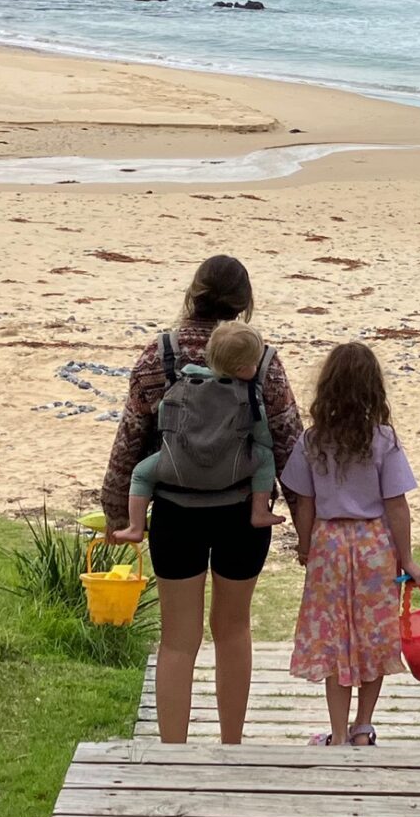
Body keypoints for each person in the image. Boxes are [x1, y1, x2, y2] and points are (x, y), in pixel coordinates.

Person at [102, 256, 301, 743]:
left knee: (177, 640)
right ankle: (231, 745)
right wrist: (307, 528)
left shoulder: (159, 355)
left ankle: (173, 750)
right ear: (245, 304)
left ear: (192, 293)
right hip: (242, 514)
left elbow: (130, 441)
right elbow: (290, 446)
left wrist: (116, 513)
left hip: (175, 513)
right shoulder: (262, 363)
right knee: (233, 630)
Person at [283, 341, 417, 746]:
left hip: (329, 543)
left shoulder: (313, 441)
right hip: (374, 543)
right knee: (373, 634)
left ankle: (338, 733)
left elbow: (303, 502)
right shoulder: (384, 440)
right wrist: (406, 557)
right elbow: (397, 505)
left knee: (333, 637)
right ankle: (364, 725)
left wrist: (306, 546)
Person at [122, 321, 278, 540]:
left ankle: (135, 527)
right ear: (243, 369)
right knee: (265, 457)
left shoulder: (184, 384)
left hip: (176, 469)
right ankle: (260, 511)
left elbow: (166, 418)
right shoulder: (247, 397)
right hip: (230, 473)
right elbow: (263, 436)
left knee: (140, 474)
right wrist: (264, 443)